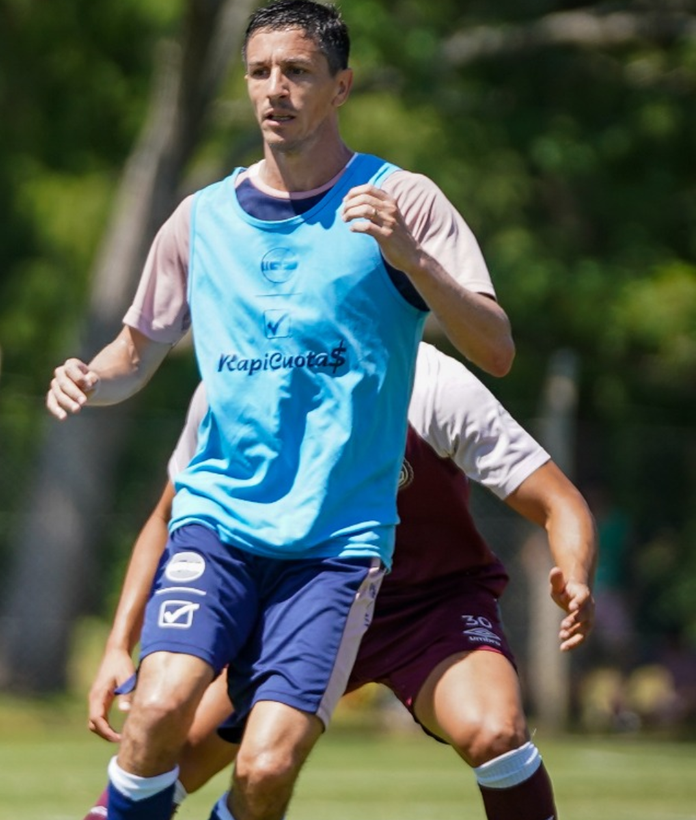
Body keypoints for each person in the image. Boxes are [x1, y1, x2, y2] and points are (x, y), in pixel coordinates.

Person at [45, 3, 514, 819]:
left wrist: (415, 262)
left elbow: (497, 347)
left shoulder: (401, 201)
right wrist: (89, 377)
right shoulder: (200, 219)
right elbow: (135, 352)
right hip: (220, 521)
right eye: (260, 72)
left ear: (340, 85)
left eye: (296, 72)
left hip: (337, 547)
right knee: (155, 709)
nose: (275, 90)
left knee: (263, 771)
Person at [82, 343, 596, 820]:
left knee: (496, 732)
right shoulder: (242, 373)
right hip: (297, 606)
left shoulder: (430, 381)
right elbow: (168, 517)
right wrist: (118, 643)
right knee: (167, 747)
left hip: (425, 609)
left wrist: (575, 574)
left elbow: (560, 501)